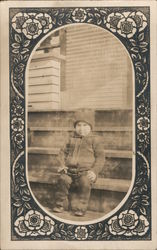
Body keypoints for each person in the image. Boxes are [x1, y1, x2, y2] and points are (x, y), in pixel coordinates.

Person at [53, 109, 105, 216]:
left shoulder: (95, 140)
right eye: (79, 125)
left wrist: (94, 171)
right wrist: (62, 165)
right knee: (63, 180)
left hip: (85, 172)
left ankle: (81, 208)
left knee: (85, 183)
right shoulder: (70, 138)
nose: (81, 128)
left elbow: (100, 158)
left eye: (85, 125)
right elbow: (61, 153)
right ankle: (59, 204)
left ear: (90, 127)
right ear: (75, 127)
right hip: (69, 171)